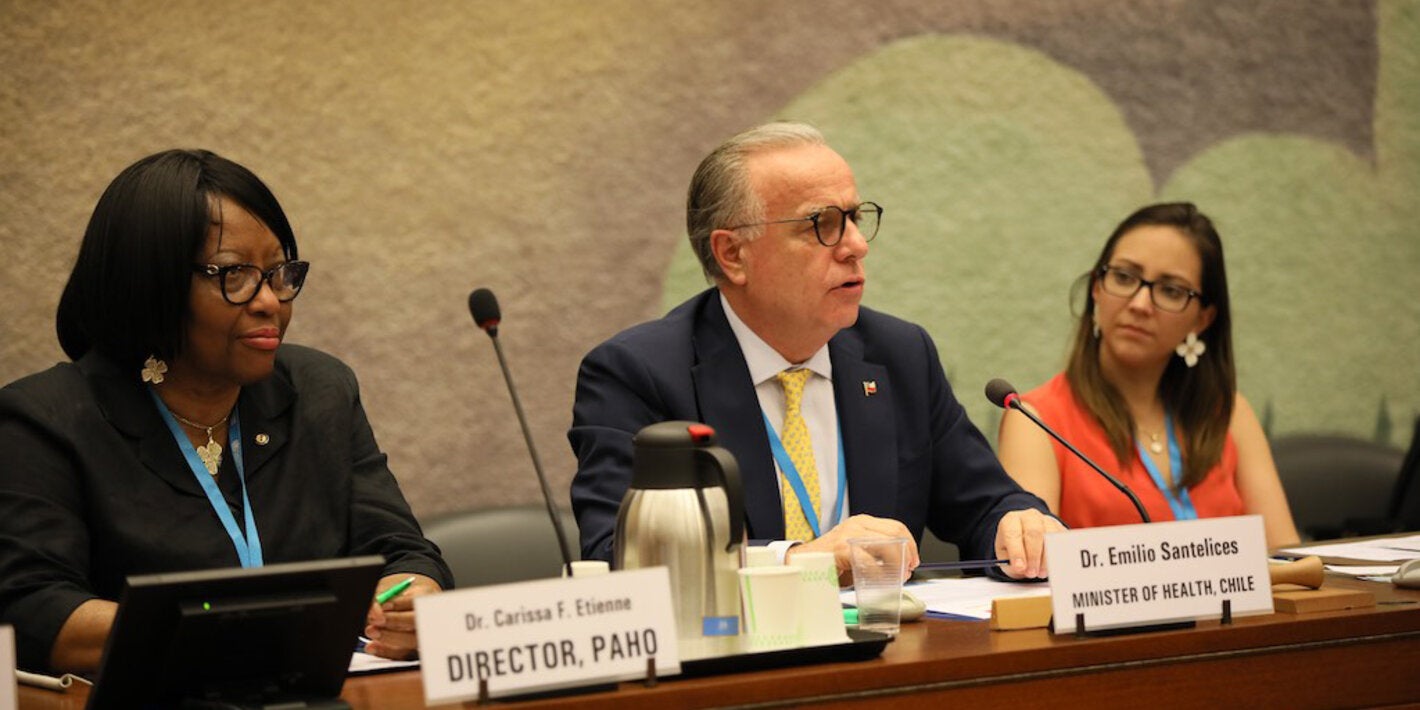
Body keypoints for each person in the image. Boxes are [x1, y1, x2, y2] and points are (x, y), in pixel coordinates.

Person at [0, 150, 453, 674]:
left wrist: (416, 597)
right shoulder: (44, 421)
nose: (270, 301)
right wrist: (247, 636)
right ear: (151, 282)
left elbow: (401, 550)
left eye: (280, 271)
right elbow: (34, 611)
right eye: (236, 274)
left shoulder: (320, 390)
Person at [568, 122, 1062, 583]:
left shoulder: (899, 356)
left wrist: (1018, 524)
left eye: (855, 218)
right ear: (732, 254)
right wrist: (805, 563)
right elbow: (620, 558)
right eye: (821, 224)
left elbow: (983, 503)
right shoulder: (638, 374)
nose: (854, 246)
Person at [996, 202, 1299, 547]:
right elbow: (1033, 567)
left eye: (1171, 290)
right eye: (1124, 277)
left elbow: (1288, 559)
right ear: (1096, 288)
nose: (1140, 304)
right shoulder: (1036, 420)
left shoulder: (1229, 414)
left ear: (1202, 319)